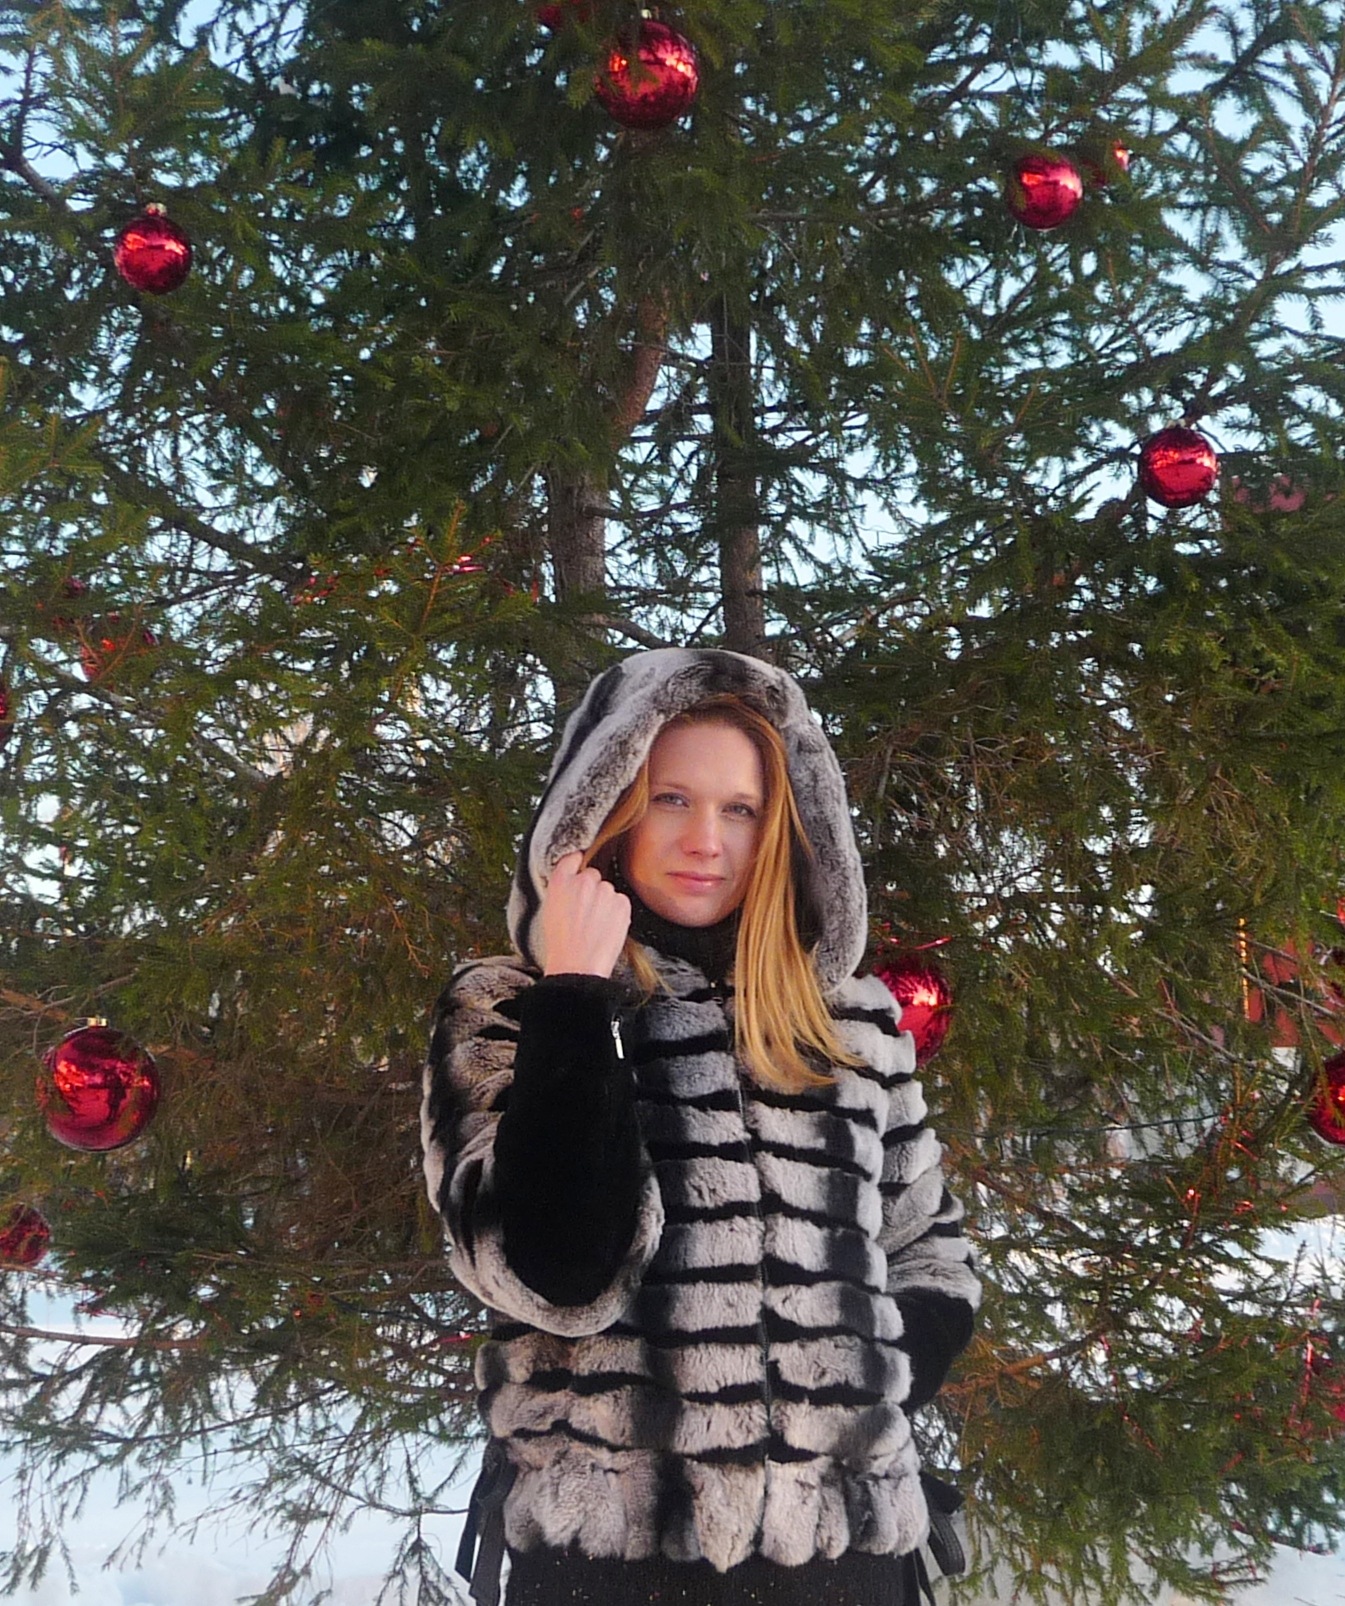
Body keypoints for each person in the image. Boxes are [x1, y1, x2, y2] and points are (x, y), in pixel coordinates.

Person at [421, 648, 980, 1606]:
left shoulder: (851, 1023)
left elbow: (928, 1251)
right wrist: (574, 997)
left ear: (784, 829)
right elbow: (558, 1276)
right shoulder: (509, 1009)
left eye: (741, 809)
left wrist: (855, 1392)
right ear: (609, 809)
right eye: (670, 799)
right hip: (610, 1567)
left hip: (844, 1563)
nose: (705, 840)